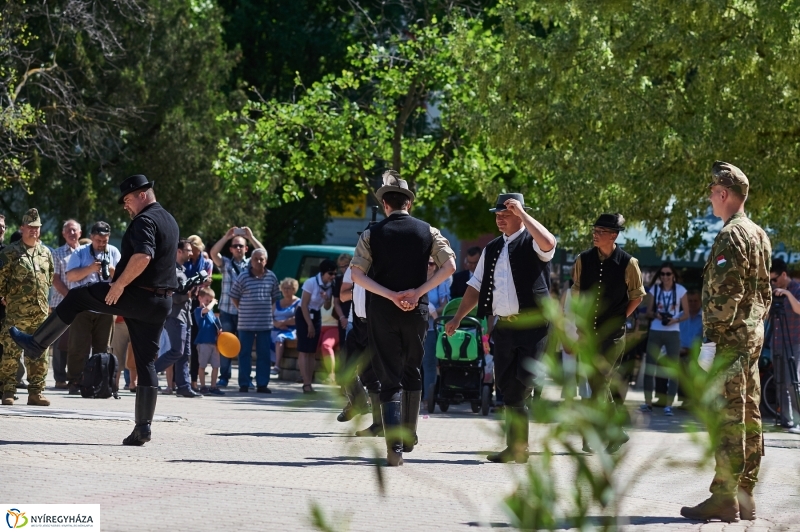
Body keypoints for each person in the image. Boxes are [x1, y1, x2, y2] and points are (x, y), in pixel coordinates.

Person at [11, 175, 180, 446]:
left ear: (142, 194)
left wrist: (119, 285)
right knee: (146, 362)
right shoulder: (169, 220)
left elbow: (144, 256)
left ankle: (36, 343)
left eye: (127, 200)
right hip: (161, 302)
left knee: (78, 296)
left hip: (137, 296)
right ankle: (143, 428)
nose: (126, 206)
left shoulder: (144, 220)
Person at [680, 161, 771, 523]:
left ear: (723, 193)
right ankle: (745, 494)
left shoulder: (731, 235)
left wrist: (711, 343)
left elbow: (725, 296)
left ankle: (724, 497)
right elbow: (763, 294)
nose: (709, 198)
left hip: (730, 340)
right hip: (750, 338)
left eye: (712, 192)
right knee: (748, 412)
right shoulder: (758, 234)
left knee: (729, 417)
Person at [352, 170, 455, 466]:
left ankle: (394, 447)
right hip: (417, 310)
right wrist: (417, 291)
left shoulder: (371, 234)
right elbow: (449, 265)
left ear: (385, 204)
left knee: (388, 377)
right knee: (412, 368)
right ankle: (409, 435)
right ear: (408, 204)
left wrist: (390, 295)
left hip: (382, 312)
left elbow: (357, 275)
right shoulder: (429, 231)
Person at [445, 193, 555, 463]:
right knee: (506, 387)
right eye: (497, 214)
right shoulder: (492, 248)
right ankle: (516, 447)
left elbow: (550, 243)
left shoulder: (533, 242)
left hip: (534, 326)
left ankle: (519, 446)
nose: (499, 218)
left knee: (521, 384)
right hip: (504, 326)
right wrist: (457, 317)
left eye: (506, 214)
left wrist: (524, 215)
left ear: (519, 215)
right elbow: (475, 286)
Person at [571, 213, 645, 454]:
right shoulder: (583, 259)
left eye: (600, 231)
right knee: (596, 384)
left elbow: (637, 295)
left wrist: (621, 317)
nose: (594, 234)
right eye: (594, 230)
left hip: (613, 335)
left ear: (613, 235)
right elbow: (576, 291)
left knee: (600, 382)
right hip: (589, 331)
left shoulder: (629, 262)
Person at [0, 209, 54, 406]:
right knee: (11, 353)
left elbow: (49, 280)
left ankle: (36, 392)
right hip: (16, 313)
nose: (34, 231)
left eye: (37, 228)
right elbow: (1, 281)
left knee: (39, 354)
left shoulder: (46, 253)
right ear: (22, 228)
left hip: (39, 313)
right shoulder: (10, 253)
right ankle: (8, 390)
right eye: (30, 227)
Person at [64, 221, 121, 394]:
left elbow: (122, 277)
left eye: (104, 241)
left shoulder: (114, 252)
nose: (101, 244)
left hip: (105, 307)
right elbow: (71, 276)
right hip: (82, 307)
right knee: (77, 346)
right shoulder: (81, 252)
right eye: (98, 241)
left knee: (102, 347)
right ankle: (74, 381)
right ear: (91, 237)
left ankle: (98, 381)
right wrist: (90, 268)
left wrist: (110, 270)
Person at [208, 227, 264, 387]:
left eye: (241, 246)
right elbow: (213, 253)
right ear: (231, 249)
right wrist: (226, 237)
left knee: (245, 347)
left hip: (246, 313)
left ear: (246, 249)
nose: (238, 248)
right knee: (225, 345)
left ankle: (245, 380)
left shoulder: (253, 264)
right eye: (235, 246)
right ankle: (224, 377)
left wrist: (251, 237)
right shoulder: (226, 263)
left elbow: (263, 252)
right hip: (226, 311)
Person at [153, 239, 202, 398]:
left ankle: (184, 386)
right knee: (176, 351)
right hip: (175, 316)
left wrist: (191, 293)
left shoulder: (181, 269)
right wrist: (187, 295)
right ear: (178, 251)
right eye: (188, 250)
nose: (190, 253)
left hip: (185, 316)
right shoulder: (170, 270)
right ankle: (149, 372)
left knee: (184, 353)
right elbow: (170, 296)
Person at [640, 262, 690, 416]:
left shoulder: (681, 290)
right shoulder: (654, 289)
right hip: (656, 330)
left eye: (668, 274)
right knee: (650, 366)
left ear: (673, 275)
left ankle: (669, 404)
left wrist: (674, 320)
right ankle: (648, 402)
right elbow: (648, 312)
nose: (665, 277)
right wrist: (657, 315)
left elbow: (686, 314)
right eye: (662, 274)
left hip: (673, 332)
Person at [229, 248, 280, 393]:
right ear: (251, 260)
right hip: (245, 323)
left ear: (266, 261)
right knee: (244, 353)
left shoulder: (271, 277)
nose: (258, 262)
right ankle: (244, 383)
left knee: (264, 354)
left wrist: (268, 311)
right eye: (256, 259)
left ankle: (262, 384)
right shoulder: (243, 277)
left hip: (265, 323)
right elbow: (234, 295)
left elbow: (275, 297)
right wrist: (243, 310)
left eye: (261, 259)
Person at [49, 219, 82, 389]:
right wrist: (71, 298)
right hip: (61, 303)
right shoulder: (57, 253)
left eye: (74, 230)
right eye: (68, 230)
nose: (71, 233)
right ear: (63, 234)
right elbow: (55, 279)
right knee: (60, 343)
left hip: (82, 306)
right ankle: (60, 378)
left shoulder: (85, 252)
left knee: (78, 342)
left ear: (80, 233)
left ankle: (76, 377)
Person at [769, 258, 800, 434]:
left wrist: (787, 294)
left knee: (792, 382)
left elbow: (799, 309)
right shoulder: (773, 291)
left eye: (775, 279)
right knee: (779, 383)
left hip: (795, 342)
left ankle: (798, 420)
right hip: (777, 341)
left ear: (784, 275)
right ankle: (787, 421)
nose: (773, 283)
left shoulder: (797, 289)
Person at [296, 259, 337, 394]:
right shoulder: (311, 282)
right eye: (330, 274)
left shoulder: (331, 285)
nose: (332, 277)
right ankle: (305, 383)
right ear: (323, 273)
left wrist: (326, 299)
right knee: (304, 349)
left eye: (334, 274)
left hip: (316, 314)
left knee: (312, 350)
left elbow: (326, 306)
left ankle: (309, 382)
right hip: (304, 314)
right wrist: (309, 325)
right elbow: (303, 305)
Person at [422, 260, 451, 401]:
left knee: (429, 364)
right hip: (414, 327)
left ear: (436, 266)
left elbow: (444, 307)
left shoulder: (441, 282)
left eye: (432, 263)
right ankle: (410, 399)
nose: (428, 265)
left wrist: (429, 310)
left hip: (432, 329)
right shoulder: (416, 280)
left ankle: (428, 399)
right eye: (426, 262)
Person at [194, 287, 224, 395]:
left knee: (216, 366)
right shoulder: (199, 311)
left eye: (210, 301)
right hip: (203, 343)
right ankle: (202, 386)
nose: (208, 303)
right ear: (200, 298)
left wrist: (220, 330)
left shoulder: (211, 313)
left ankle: (213, 386)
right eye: (207, 300)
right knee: (202, 366)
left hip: (214, 343)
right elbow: (206, 310)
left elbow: (217, 325)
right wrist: (213, 302)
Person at [677, 289, 703, 408]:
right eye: (690, 301)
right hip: (678, 351)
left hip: (698, 354)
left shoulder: (705, 319)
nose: (692, 303)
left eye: (695, 301)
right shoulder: (679, 317)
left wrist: (688, 351)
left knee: (688, 363)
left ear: (700, 301)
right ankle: (660, 397)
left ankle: (689, 400)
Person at [271, 278, 300, 376]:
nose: (286, 290)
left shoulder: (298, 302)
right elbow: (269, 317)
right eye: (284, 288)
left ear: (294, 289)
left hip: (291, 329)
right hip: (275, 328)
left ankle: (277, 365)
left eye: (289, 288)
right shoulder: (277, 303)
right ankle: (264, 368)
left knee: (280, 337)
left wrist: (283, 323)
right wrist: (276, 323)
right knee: (263, 339)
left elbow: (298, 318)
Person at [318, 301, 341, 382]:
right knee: (308, 345)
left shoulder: (336, 297)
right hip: (319, 327)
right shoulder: (318, 295)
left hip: (335, 327)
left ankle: (331, 375)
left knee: (326, 345)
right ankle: (304, 376)